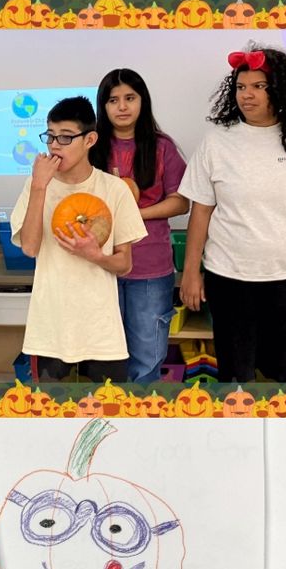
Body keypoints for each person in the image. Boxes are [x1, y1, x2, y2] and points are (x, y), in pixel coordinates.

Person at [178, 47, 286, 383]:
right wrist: (190, 272)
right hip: (228, 276)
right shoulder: (217, 142)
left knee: (282, 374)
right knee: (234, 375)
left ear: (280, 89)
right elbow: (200, 212)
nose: (247, 95)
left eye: (258, 86)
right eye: (241, 87)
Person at [11, 96, 146, 383]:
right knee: (50, 417)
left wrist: (95, 255)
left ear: (90, 139)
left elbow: (125, 264)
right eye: (50, 136)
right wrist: (38, 187)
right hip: (50, 327)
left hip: (100, 330)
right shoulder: (36, 186)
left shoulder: (113, 190)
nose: (55, 145)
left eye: (65, 137)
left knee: (107, 417)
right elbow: (30, 247)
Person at [91, 70, 189, 384]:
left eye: (130, 98)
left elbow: (180, 201)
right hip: (101, 266)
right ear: (103, 106)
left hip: (150, 267)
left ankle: (144, 423)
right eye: (113, 100)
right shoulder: (91, 147)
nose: (122, 106)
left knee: (147, 356)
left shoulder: (162, 147)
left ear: (142, 101)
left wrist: (135, 214)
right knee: (105, 356)